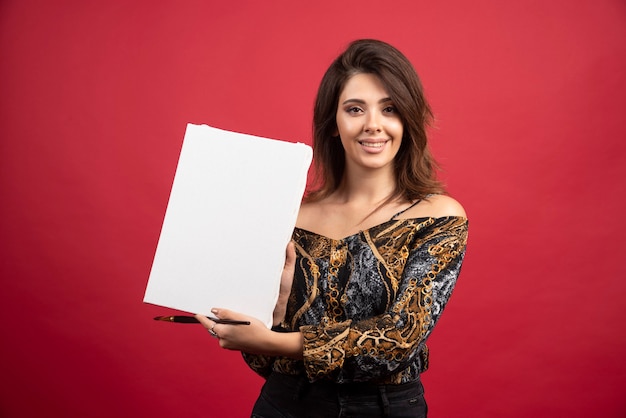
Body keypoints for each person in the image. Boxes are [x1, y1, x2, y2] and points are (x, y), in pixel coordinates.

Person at [195, 39, 468, 418]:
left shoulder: (438, 217)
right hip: (284, 404)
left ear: (407, 119)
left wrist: (283, 343)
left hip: (385, 409)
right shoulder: (290, 217)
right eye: (355, 109)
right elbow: (264, 362)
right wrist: (271, 315)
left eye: (389, 109)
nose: (373, 124)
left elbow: (400, 338)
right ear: (334, 124)